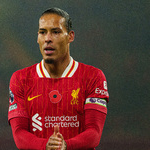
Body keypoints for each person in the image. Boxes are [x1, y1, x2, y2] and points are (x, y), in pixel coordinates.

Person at [8, 7, 109, 150]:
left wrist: (66, 145)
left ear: (70, 36)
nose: (48, 39)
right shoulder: (21, 79)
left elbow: (94, 133)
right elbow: (19, 134)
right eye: (43, 32)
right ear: (37, 38)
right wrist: (45, 146)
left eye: (56, 32)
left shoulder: (93, 77)